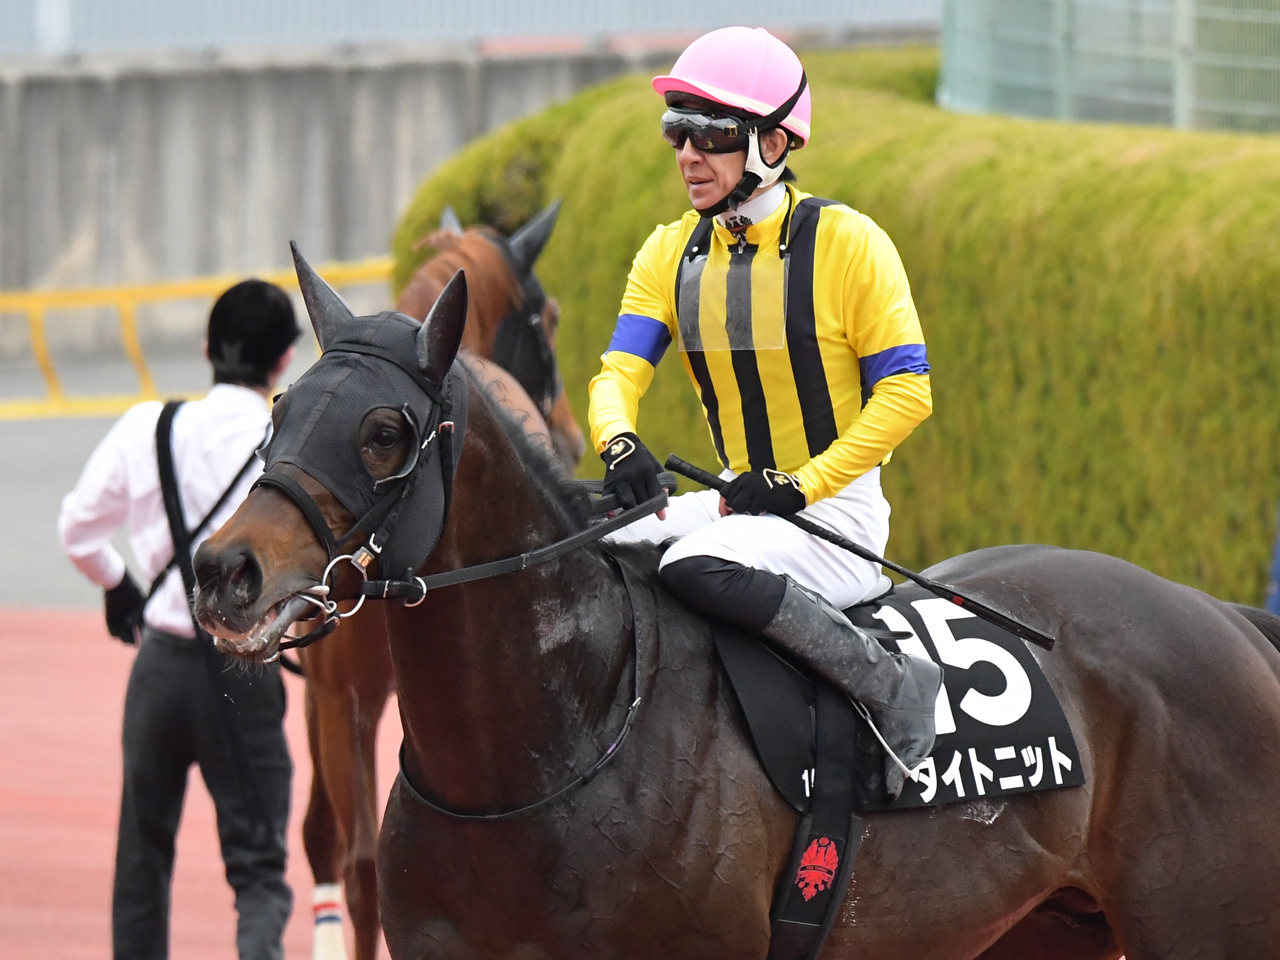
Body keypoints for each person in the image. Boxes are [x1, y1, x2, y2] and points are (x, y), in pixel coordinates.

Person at [589, 26, 942, 797]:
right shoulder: (667, 253)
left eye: (712, 134)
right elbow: (618, 374)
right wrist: (619, 443)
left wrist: (801, 486)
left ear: (774, 142)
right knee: (583, 536)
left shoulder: (851, 244)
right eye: (677, 131)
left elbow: (907, 393)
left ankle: (892, 685)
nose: (688, 155)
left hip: (835, 518)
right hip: (737, 505)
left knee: (690, 564)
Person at [58, 280, 300, 960]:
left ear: (205, 349)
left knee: (142, 859)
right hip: (245, 668)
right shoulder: (286, 442)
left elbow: (77, 529)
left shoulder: (148, 427)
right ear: (285, 360)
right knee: (258, 868)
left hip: (159, 666)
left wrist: (117, 584)